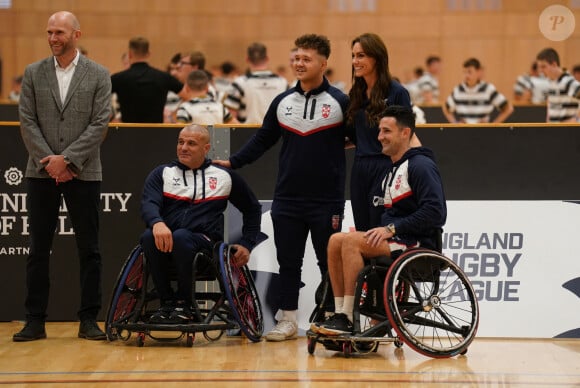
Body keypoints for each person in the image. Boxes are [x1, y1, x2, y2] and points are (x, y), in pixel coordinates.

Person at [214, 34, 348, 341]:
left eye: (307, 59)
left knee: (328, 262)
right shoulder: (282, 102)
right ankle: (288, 319)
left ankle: (330, 319)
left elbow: (358, 138)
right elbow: (263, 139)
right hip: (287, 198)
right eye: (296, 58)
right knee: (289, 262)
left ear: (323, 63)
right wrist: (234, 162)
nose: (299, 64)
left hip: (327, 200)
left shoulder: (341, 102)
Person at [14, 11, 111, 342]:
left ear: (76, 35)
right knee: (38, 248)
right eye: (49, 32)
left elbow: (100, 123)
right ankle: (34, 319)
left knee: (90, 249)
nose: (53, 38)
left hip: (84, 172)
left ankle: (88, 319)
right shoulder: (32, 72)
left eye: (59, 32)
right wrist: (50, 162)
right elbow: (27, 120)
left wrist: (68, 160)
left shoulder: (99, 74)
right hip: (40, 172)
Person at [312, 105, 446, 335]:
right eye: (379, 131)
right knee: (336, 240)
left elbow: (436, 212)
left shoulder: (420, 166)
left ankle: (347, 317)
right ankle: (339, 313)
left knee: (353, 241)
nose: (379, 137)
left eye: (386, 131)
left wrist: (393, 229)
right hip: (398, 240)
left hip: (417, 244)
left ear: (405, 133)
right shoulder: (392, 170)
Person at [140, 124, 262, 323]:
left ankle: (185, 303)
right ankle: (167, 302)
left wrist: (247, 243)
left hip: (204, 244)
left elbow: (252, 209)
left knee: (180, 236)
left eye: (191, 143)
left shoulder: (224, 177)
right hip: (166, 239)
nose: (183, 148)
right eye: (180, 142)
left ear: (206, 149)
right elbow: (148, 203)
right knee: (147, 236)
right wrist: (156, 223)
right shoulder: (162, 173)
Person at [346, 32, 414, 233]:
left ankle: (383, 266)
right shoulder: (355, 94)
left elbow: (407, 134)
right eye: (353, 56)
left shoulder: (397, 92)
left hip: (385, 167)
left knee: (378, 230)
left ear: (377, 58)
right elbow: (354, 135)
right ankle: (365, 266)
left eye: (361, 56)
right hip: (359, 168)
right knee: (362, 230)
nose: (355, 61)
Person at [111, 36, 185, 123]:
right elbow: (188, 95)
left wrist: (112, 118)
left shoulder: (118, 78)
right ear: (148, 54)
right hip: (156, 132)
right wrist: (172, 115)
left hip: (128, 131)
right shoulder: (163, 77)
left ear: (130, 54)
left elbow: (98, 97)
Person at [223, 42, 288, 124]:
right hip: (278, 134)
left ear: (247, 59)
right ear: (267, 58)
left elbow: (230, 118)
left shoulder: (239, 83)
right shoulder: (283, 82)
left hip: (249, 134)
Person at [442, 57, 513, 124]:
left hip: (482, 132)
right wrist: (455, 123)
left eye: (469, 72)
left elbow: (508, 108)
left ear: (478, 72)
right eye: (464, 72)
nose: (466, 75)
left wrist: (493, 125)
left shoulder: (488, 89)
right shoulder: (458, 90)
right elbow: (446, 108)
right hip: (463, 132)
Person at [536, 48, 580, 123]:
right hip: (554, 132)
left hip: (568, 132)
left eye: (543, 66)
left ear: (554, 64)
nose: (541, 71)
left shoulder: (568, 82)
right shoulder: (550, 82)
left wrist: (576, 119)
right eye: (539, 67)